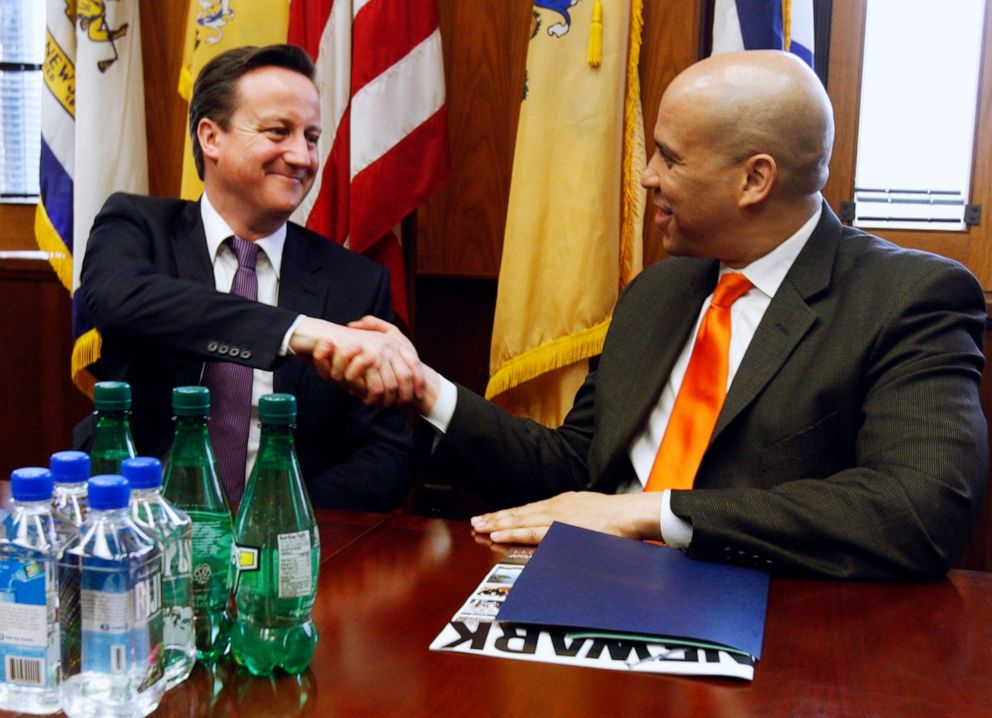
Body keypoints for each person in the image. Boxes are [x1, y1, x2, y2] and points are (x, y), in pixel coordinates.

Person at [325, 50, 988, 579]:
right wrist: (426, 389)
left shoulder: (909, 297)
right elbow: (574, 470)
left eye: (669, 157)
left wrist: (654, 515)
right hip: (598, 594)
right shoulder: (658, 292)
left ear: (755, 180)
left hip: (774, 632)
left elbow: (916, 512)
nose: (646, 176)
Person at [76, 44, 423, 511]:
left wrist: (275, 518)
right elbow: (119, 301)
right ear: (210, 138)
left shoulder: (356, 284)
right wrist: (295, 332)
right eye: (279, 132)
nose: (302, 156)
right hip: (140, 535)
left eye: (313, 137)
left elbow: (386, 456)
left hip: (291, 548)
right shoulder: (138, 228)